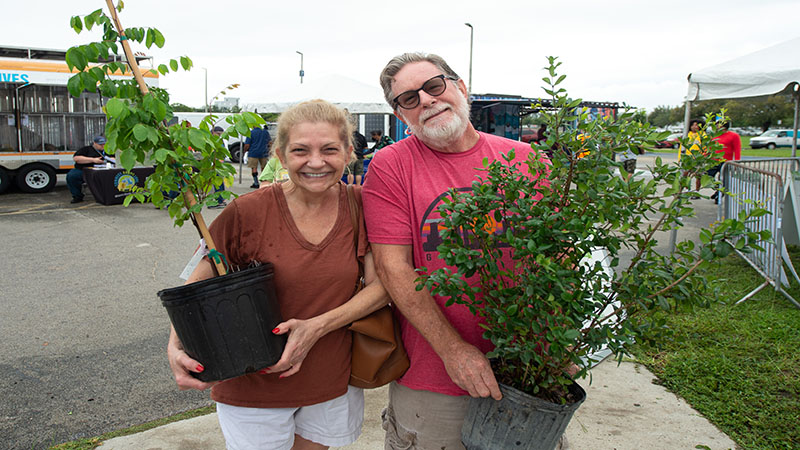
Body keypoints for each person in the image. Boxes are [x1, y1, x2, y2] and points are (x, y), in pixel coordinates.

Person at [168, 100, 388, 450]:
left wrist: (316, 327)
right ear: (281, 157)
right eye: (300, 151)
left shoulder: (363, 206)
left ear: (348, 153)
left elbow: (381, 288)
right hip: (253, 381)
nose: (316, 162)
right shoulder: (247, 211)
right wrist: (176, 344)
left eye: (329, 149)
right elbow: (200, 279)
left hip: (330, 378)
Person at [362, 52, 546, 449]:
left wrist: (555, 337)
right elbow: (395, 268)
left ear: (461, 88)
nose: (426, 101)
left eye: (433, 86)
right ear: (401, 114)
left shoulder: (527, 160)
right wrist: (453, 351)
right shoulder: (390, 167)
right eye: (408, 98)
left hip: (529, 366)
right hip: (435, 379)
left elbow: (559, 253)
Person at [67, 136, 107, 204]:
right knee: (72, 176)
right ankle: (77, 196)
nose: (102, 146)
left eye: (104, 144)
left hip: (103, 170)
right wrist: (93, 160)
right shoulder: (86, 149)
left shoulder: (108, 150)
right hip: (84, 170)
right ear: (94, 143)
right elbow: (76, 158)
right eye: (100, 145)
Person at [709, 121, 741, 203]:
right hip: (713, 160)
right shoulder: (714, 136)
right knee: (708, 176)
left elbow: (737, 149)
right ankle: (717, 190)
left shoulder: (734, 136)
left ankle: (719, 195)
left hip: (725, 161)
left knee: (723, 178)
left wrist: (736, 162)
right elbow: (709, 147)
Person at [244, 124, 271, 188]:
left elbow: (247, 144)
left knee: (254, 168)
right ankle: (264, 183)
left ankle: (256, 183)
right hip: (264, 152)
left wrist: (245, 151)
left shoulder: (251, 132)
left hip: (253, 152)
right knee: (264, 168)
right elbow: (270, 142)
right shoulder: (265, 132)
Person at [208, 126, 227, 209]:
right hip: (217, 163)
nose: (219, 135)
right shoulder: (214, 140)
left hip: (217, 164)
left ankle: (219, 201)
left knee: (217, 183)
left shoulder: (217, 140)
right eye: (218, 133)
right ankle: (221, 200)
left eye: (220, 134)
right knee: (219, 182)